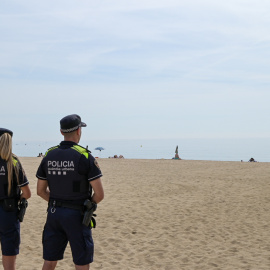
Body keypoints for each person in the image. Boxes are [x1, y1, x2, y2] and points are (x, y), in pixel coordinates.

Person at [36, 114, 104, 270]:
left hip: (54, 213)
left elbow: (40, 191)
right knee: (81, 261)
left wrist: (58, 202)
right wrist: (87, 205)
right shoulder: (84, 155)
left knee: (50, 260)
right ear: (79, 131)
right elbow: (99, 194)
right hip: (77, 216)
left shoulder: (49, 155)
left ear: (61, 132)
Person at [0, 128, 31, 270]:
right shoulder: (13, 161)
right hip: (8, 212)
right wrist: (18, 198)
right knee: (9, 254)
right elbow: (27, 193)